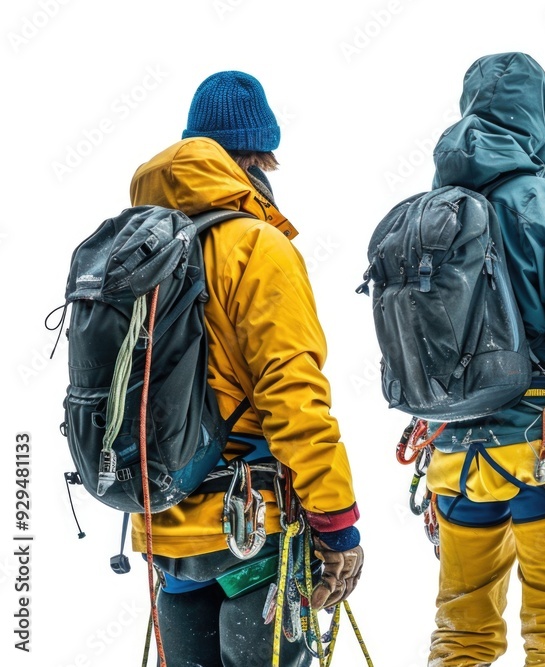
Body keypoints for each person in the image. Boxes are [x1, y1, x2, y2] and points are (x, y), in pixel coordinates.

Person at [127, 70, 363, 666]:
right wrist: (337, 522)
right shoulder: (257, 247)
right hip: (253, 527)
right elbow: (293, 394)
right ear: (260, 159)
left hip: (165, 527)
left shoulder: (137, 253)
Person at [422, 52, 545, 666]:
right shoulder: (536, 200)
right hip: (542, 449)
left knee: (462, 629)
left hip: (453, 453)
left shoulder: (433, 209)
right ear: (539, 121)